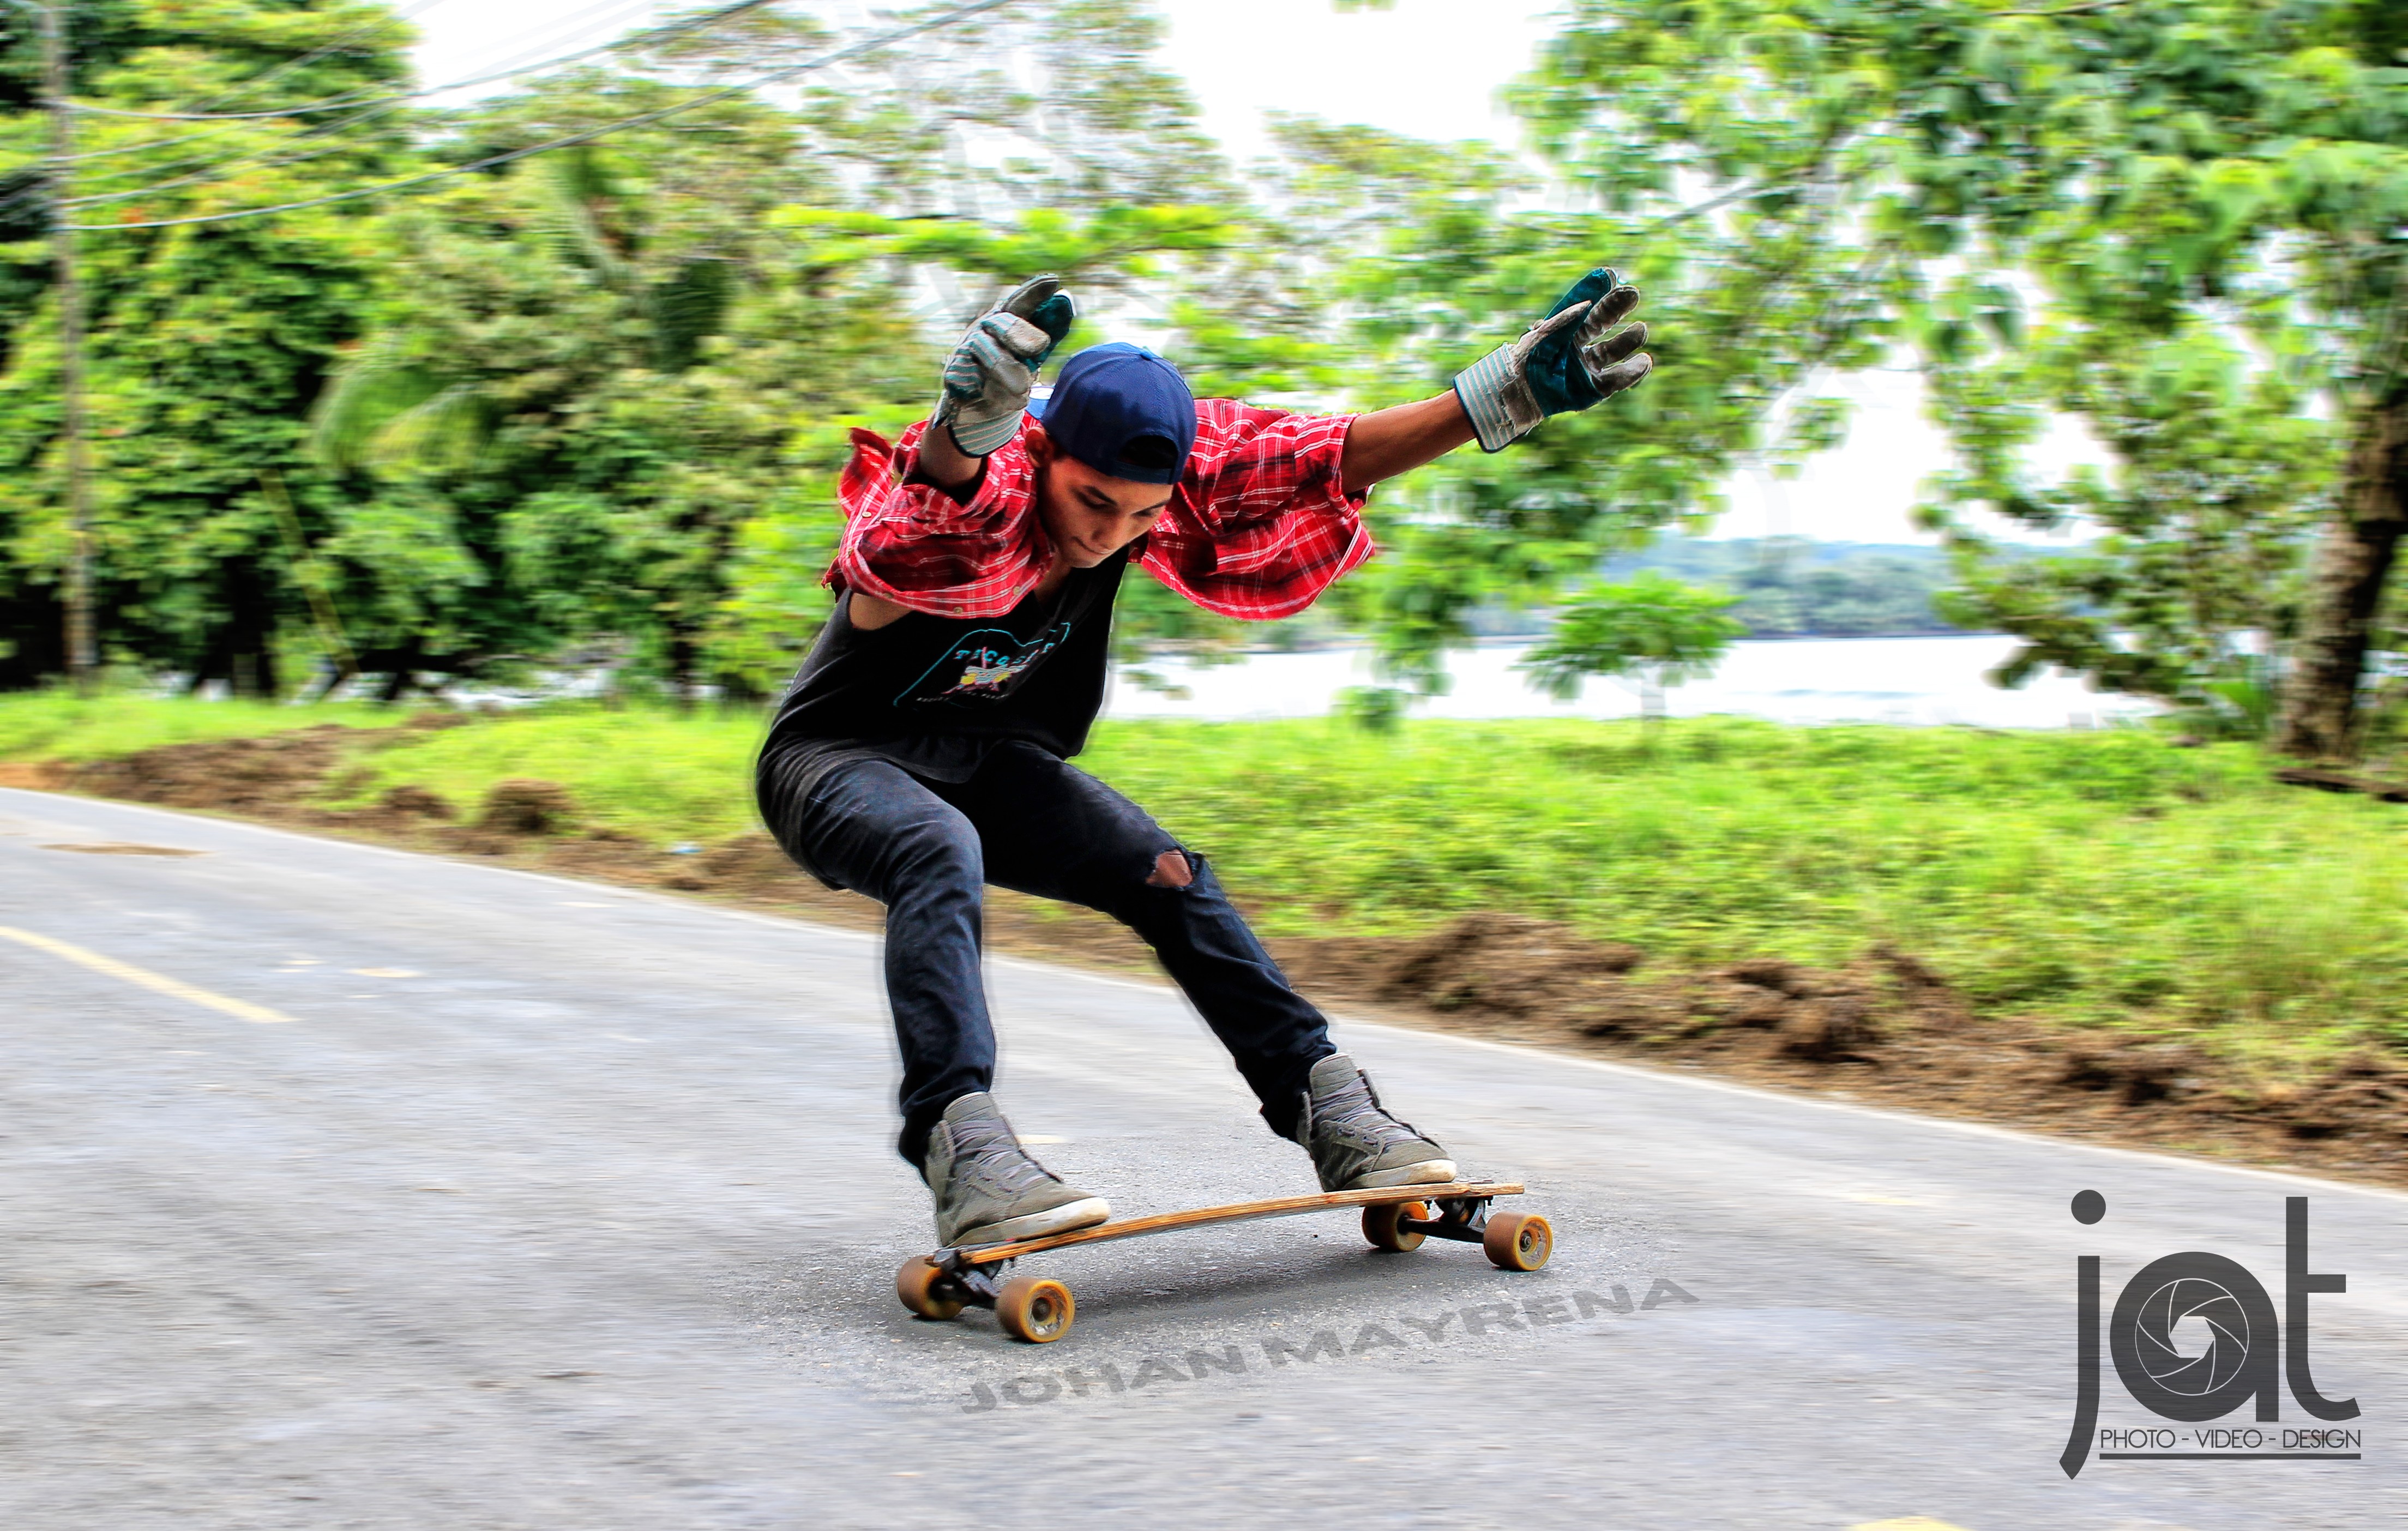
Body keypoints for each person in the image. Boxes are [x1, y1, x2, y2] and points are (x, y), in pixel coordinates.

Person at [757, 270, 1654, 1248]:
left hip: (989, 762)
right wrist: (953, 438)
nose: (1108, 535)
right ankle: (959, 1144)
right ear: (1044, 451)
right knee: (936, 848)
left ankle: (1332, 1110)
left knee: (1169, 873)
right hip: (834, 761)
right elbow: (908, 538)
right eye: (1092, 501)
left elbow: (1321, 456)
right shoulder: (971, 496)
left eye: (1140, 517)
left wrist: (1495, 398)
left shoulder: (1157, 493)